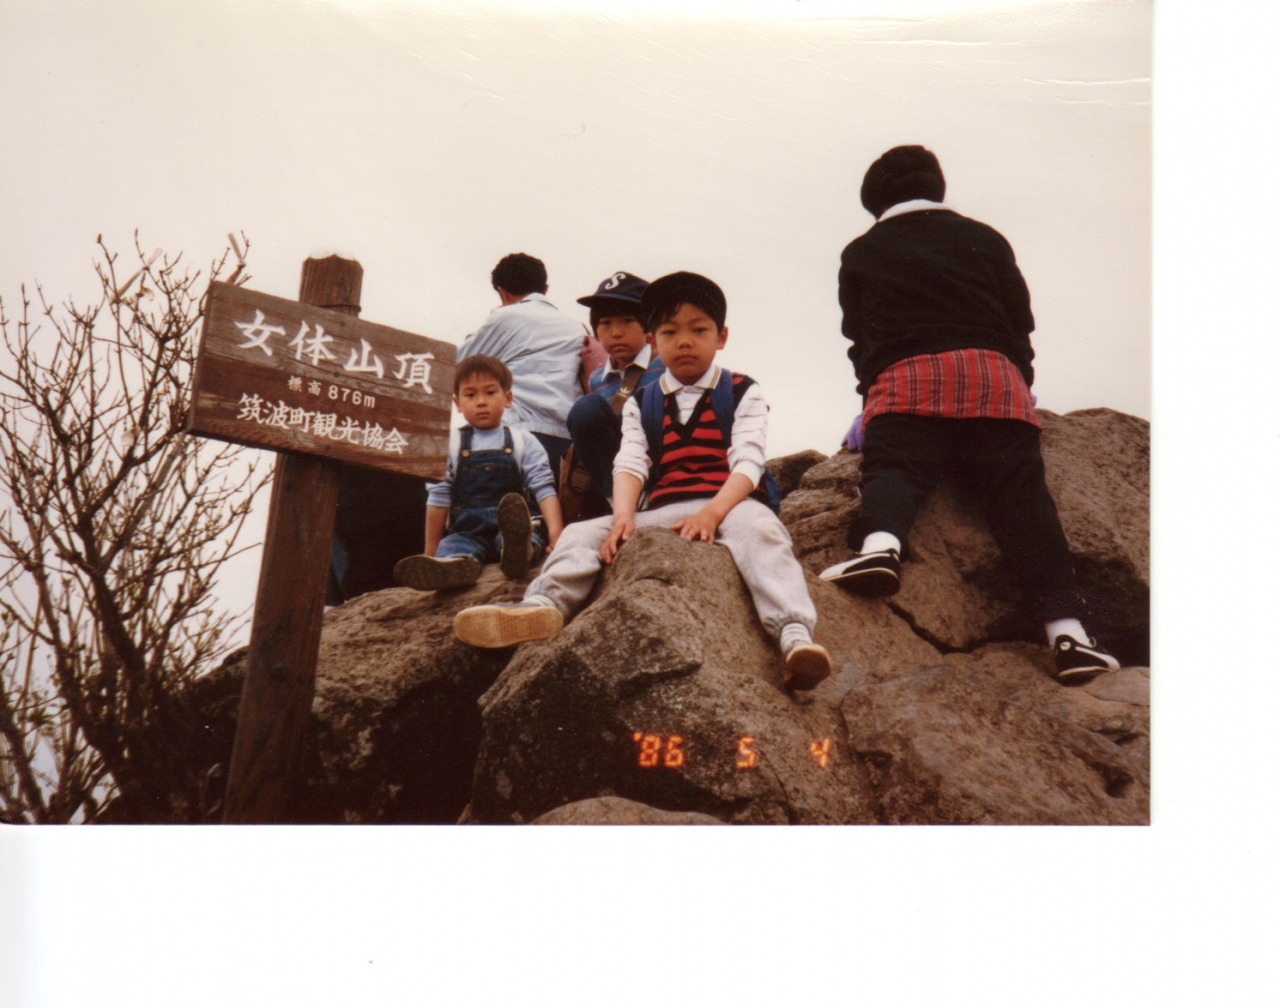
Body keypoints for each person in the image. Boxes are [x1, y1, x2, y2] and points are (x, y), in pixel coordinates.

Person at [821, 144, 1119, 685]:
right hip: (992, 377)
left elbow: (859, 335)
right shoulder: (986, 238)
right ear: (938, 188)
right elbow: (1019, 322)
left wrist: (872, 398)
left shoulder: (861, 251)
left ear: (874, 204)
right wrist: (1018, 386)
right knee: (1024, 503)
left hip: (906, 377)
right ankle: (1068, 632)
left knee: (895, 471)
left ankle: (881, 546)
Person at [452, 272, 832, 692]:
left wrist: (713, 512)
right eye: (670, 331)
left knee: (763, 533)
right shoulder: (643, 399)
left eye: (698, 329)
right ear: (654, 340)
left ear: (721, 336)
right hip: (664, 507)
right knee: (581, 534)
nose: (684, 341)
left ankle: (794, 635)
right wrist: (622, 517)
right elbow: (631, 462)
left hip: (731, 503)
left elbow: (749, 460)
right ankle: (542, 606)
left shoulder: (742, 390)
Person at [392, 355, 564, 590]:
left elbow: (543, 488)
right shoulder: (449, 445)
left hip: (515, 527)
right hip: (467, 531)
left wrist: (556, 534)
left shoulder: (523, 441)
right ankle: (453, 567)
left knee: (527, 534)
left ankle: (518, 553)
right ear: (458, 403)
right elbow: (438, 498)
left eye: (490, 393)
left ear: (508, 398)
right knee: (453, 548)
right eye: (471, 395)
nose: (481, 402)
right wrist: (430, 553)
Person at [458, 253, 588, 476]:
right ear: (545, 289)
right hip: (567, 444)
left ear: (502, 291)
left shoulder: (505, 317)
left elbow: (458, 366)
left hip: (516, 436)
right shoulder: (578, 327)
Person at [564, 271, 666, 504]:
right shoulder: (598, 379)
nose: (616, 332)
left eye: (627, 321)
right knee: (585, 409)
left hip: (661, 464)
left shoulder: (666, 365)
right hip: (620, 474)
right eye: (605, 323)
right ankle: (619, 502)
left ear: (648, 326)